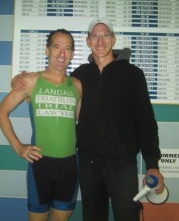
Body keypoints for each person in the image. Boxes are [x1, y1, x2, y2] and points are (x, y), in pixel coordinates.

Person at [12, 18, 164, 221]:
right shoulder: (79, 75)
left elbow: (146, 122)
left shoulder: (133, 75)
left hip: (122, 165)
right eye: (95, 36)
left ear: (113, 39)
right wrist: (19, 79)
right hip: (88, 164)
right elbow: (53, 78)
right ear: (88, 41)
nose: (100, 41)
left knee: (128, 217)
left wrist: (152, 164)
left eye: (105, 35)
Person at [0, 29, 82, 221]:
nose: (62, 54)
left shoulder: (77, 85)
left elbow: (83, 120)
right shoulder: (30, 81)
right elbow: (1, 112)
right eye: (57, 47)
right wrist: (19, 147)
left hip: (69, 165)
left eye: (67, 48)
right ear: (47, 50)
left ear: (72, 54)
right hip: (40, 165)